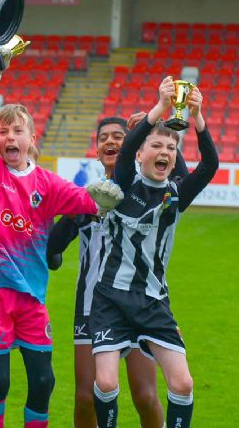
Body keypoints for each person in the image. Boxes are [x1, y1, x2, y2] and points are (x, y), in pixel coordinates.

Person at [0, 44, 123, 428]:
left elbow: (86, 201)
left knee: (43, 381)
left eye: (16, 130)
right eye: (3, 132)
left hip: (32, 298)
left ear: (30, 137)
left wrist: (102, 199)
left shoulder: (47, 184)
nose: (9, 137)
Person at [47, 114, 189, 428]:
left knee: (145, 395)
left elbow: (184, 176)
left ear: (135, 148)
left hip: (139, 301)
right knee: (86, 397)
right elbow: (52, 247)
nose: (110, 142)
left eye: (119, 136)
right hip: (91, 307)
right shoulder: (85, 196)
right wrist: (82, 209)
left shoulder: (151, 193)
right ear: (96, 150)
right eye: (104, 138)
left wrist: (154, 126)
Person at [91, 77, 217, 428]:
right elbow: (127, 149)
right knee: (106, 382)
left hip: (152, 301)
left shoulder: (176, 195)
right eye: (157, 146)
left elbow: (209, 166)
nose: (164, 153)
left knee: (183, 383)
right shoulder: (124, 183)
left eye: (171, 149)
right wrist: (159, 109)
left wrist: (198, 116)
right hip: (110, 299)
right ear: (142, 154)